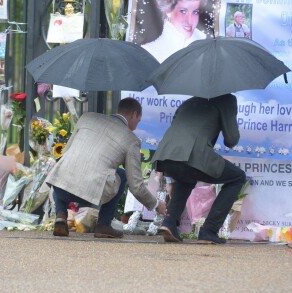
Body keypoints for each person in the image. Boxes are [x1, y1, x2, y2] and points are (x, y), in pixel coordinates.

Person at [46, 97, 166, 238]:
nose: (136, 126)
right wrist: (156, 204)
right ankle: (103, 225)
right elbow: (136, 186)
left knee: (67, 164)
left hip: (61, 188)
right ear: (134, 114)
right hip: (91, 193)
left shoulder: (87, 118)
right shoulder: (131, 139)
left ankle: (60, 215)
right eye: (138, 121)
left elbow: (66, 152)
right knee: (121, 174)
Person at [151, 94, 246, 244]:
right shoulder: (227, 99)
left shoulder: (189, 101)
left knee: (186, 179)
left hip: (165, 155)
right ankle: (209, 230)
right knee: (237, 177)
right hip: (192, 155)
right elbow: (231, 140)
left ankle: (169, 223)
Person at [142, 0, 207, 63]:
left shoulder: (207, 51)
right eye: (183, 11)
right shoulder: (148, 52)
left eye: (195, 12)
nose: (189, 21)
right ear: (168, 11)